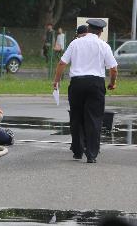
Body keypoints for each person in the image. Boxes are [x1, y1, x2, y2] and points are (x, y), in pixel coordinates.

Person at [52, 19, 118, 163]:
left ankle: (77, 151)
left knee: (76, 117)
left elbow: (62, 63)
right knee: (94, 118)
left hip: (77, 83)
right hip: (96, 84)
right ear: (100, 32)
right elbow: (113, 69)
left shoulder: (75, 43)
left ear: (88, 29)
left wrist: (56, 81)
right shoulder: (104, 45)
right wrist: (112, 83)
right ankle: (92, 154)